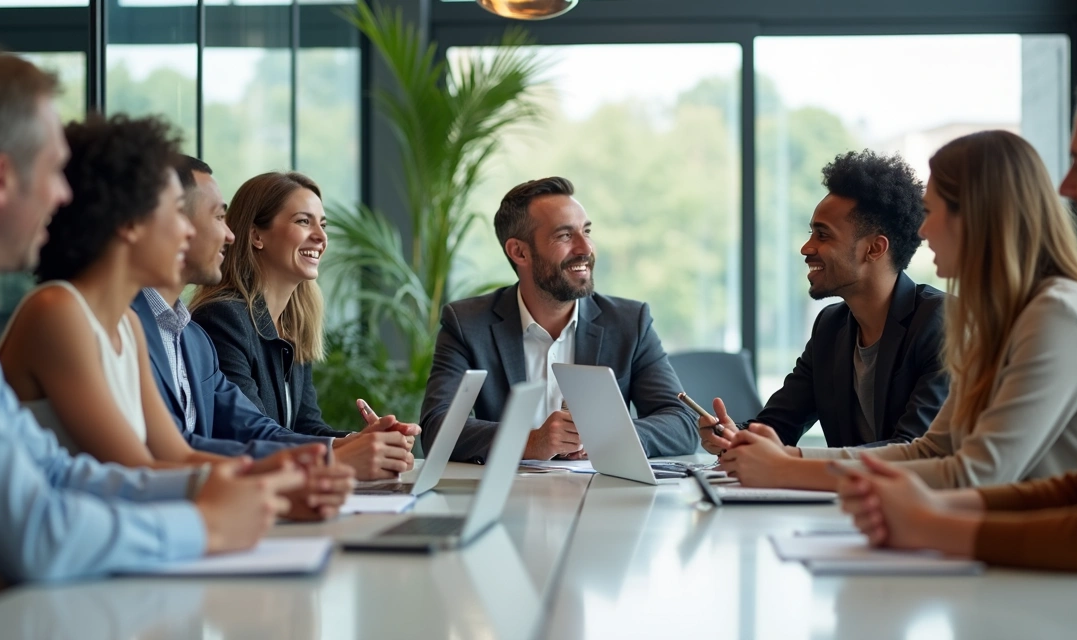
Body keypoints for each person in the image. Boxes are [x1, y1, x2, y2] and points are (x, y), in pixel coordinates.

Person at [0, 47, 312, 621]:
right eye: (53, 171)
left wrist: (242, 482)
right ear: (2, 178)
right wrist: (205, 522)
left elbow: (56, 471)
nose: (63, 196)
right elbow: (39, 532)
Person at [836, 58, 1077, 594]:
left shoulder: (1060, 313)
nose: (1067, 187)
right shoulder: (1011, 318)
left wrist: (930, 520)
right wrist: (919, 508)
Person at [720, 131, 1077, 491]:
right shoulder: (1000, 320)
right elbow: (930, 451)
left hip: (1064, 566)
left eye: (931, 213)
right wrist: (788, 459)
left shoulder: (1057, 314)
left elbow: (974, 475)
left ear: (977, 218)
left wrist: (787, 471)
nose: (922, 231)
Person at [134, 157, 420, 480]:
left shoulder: (196, 338)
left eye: (322, 225)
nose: (320, 237)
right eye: (303, 221)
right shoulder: (218, 319)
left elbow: (289, 426)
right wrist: (335, 457)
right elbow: (239, 437)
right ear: (256, 236)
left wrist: (357, 444)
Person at [420, 176, 697, 463]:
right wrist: (530, 442)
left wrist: (606, 435)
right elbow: (438, 428)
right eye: (565, 235)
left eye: (586, 231)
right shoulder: (467, 324)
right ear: (519, 252)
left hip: (603, 499)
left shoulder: (629, 322)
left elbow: (681, 423)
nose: (585, 248)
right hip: (508, 501)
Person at [698, 151, 948, 457]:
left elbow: (913, 450)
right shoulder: (831, 326)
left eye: (823, 235)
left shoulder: (941, 322)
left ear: (874, 248)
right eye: (810, 233)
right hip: (846, 501)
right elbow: (779, 424)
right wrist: (734, 437)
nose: (807, 247)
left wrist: (795, 460)